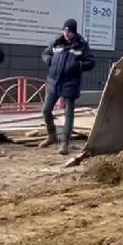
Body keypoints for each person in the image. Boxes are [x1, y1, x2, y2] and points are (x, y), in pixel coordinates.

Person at [40, 19, 95, 154]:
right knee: (46, 110)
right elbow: (45, 53)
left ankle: (64, 142)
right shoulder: (57, 42)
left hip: (70, 83)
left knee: (68, 113)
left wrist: (79, 65)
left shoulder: (81, 45)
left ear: (74, 32)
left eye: (69, 32)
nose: (66, 34)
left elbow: (91, 62)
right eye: (65, 31)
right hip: (54, 82)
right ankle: (51, 135)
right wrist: (49, 60)